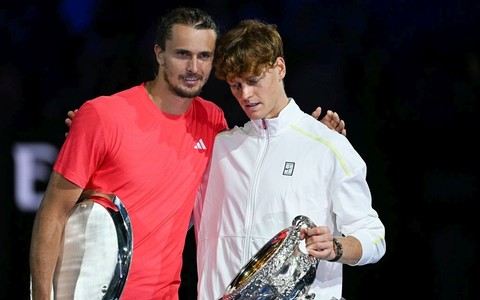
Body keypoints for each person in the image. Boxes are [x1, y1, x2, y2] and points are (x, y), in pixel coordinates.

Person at [30, 7, 346, 300]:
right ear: (159, 54)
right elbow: (52, 214)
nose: (193, 68)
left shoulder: (213, 122)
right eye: (182, 54)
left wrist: (311, 137)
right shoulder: (102, 115)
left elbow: (261, 163)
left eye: (204, 56)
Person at [193, 19, 386, 300]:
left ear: (279, 68)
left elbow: (374, 237)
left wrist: (336, 247)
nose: (245, 95)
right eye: (236, 85)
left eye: (254, 80)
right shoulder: (220, 149)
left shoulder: (327, 146)